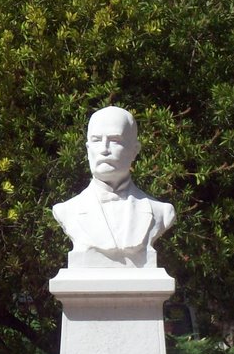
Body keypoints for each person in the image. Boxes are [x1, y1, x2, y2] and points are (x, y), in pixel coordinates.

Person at [52, 106, 175, 268]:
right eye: (96, 140)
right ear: (88, 149)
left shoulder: (161, 212)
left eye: (115, 140)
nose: (104, 149)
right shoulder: (67, 211)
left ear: (134, 150)